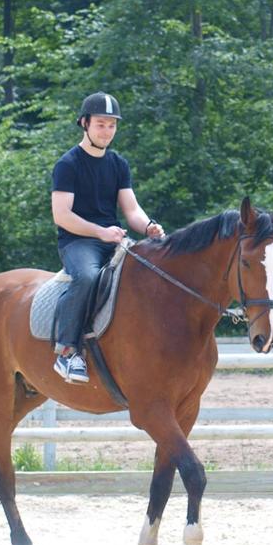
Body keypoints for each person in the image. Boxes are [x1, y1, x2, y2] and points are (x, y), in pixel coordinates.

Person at [50, 92, 164, 383]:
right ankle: (66, 352)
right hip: (79, 242)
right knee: (87, 278)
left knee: (152, 273)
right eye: (101, 124)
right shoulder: (68, 164)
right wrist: (101, 231)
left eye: (112, 125)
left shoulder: (118, 164)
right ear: (85, 124)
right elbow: (62, 216)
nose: (107, 131)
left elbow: (132, 210)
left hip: (113, 240)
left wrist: (148, 226)